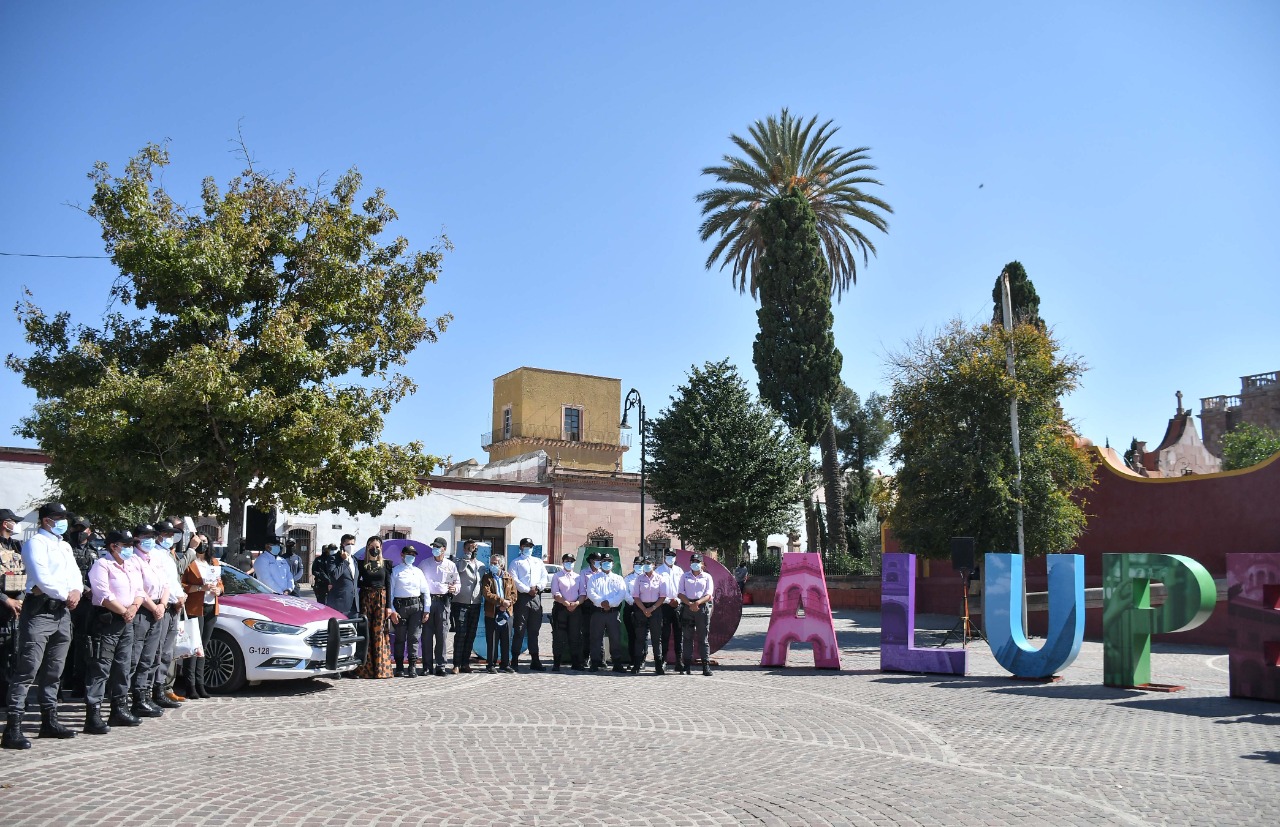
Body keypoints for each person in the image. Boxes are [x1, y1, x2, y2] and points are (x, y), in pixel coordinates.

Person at [3, 503, 82, 750]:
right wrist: (66, 594)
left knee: (54, 670)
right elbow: (41, 577)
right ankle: (13, 727)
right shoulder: (35, 543)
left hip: (61, 612)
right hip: (40, 610)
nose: (63, 522)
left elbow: (75, 574)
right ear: (46, 520)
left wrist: (76, 590)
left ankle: (49, 720)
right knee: (28, 669)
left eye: (64, 517)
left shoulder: (64, 545)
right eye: (59, 517)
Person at [84, 530, 144, 733]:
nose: (129, 549)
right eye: (125, 545)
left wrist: (133, 608)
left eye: (130, 545)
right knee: (101, 667)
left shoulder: (131, 565)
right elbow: (103, 594)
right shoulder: (102, 564)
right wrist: (124, 611)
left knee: (123, 666)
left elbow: (140, 591)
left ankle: (119, 709)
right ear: (113, 546)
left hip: (127, 620)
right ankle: (93, 714)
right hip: (108, 620)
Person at [127, 524, 169, 719]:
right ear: (136, 538)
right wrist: (154, 607)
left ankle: (143, 695)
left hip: (158, 608)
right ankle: (131, 697)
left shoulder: (155, 558)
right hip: (143, 610)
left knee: (150, 657)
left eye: (152, 536)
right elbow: (139, 589)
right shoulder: (133, 559)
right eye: (145, 536)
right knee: (135, 657)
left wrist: (163, 605)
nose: (149, 540)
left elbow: (165, 583)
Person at [180, 536, 223, 698]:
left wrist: (219, 590)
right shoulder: (189, 562)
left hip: (211, 607)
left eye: (205, 541)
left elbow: (220, 583)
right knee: (193, 648)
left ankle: (200, 684)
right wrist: (200, 588)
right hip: (195, 607)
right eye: (200, 541)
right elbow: (181, 584)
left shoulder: (214, 562)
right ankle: (190, 685)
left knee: (203, 648)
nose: (202, 544)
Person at [149, 520, 185, 709]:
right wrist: (176, 598)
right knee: (157, 651)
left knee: (167, 652)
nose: (170, 538)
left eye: (172, 535)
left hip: (173, 606)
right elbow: (162, 583)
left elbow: (174, 581)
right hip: (162, 605)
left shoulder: (167, 555)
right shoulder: (154, 554)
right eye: (167, 534)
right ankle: (150, 691)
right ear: (158, 536)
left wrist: (181, 596)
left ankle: (160, 688)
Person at [354, 536, 393, 679]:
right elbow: (356, 582)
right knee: (366, 631)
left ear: (381, 548)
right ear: (367, 547)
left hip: (381, 599)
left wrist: (389, 606)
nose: (374, 549)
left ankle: (381, 669)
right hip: (366, 598)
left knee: (379, 631)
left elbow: (388, 584)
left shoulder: (386, 564)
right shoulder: (361, 564)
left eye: (377, 547)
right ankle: (365, 669)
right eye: (371, 546)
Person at [421, 537, 459, 677]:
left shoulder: (450, 565)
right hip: (428, 601)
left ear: (444, 549)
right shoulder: (424, 564)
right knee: (426, 635)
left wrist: (455, 588)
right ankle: (427, 666)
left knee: (442, 635)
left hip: (443, 602)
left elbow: (455, 583)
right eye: (434, 547)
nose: (435, 549)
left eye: (438, 547)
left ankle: (440, 665)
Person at [508, 538, 548, 672]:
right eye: (526, 546)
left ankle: (535, 659)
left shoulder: (538, 561)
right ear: (521, 547)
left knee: (534, 630)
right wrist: (527, 589)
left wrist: (538, 587)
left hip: (536, 596)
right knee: (519, 630)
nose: (528, 548)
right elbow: (514, 580)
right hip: (522, 597)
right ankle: (514, 659)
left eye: (530, 546)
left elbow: (544, 577)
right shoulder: (516, 562)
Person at [388, 545, 428, 678]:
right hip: (400, 607)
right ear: (402, 555)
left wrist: (426, 609)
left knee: (414, 638)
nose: (411, 557)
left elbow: (425, 591)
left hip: (416, 607)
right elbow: (390, 594)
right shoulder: (395, 571)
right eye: (409, 554)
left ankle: (412, 666)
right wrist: (392, 610)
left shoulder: (418, 572)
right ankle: (399, 666)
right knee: (400, 638)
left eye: (413, 554)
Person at [0, 508, 27, 702]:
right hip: (3, 604)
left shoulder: (17, 546)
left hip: (17, 606)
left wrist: (20, 599)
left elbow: (26, 575)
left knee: (14, 653)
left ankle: (12, 696)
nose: (15, 525)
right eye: (13, 521)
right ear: (4, 523)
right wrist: (6, 600)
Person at [586, 553, 628, 672]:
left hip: (613, 612)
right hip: (598, 612)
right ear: (601, 563)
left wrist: (609, 603)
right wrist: (601, 603)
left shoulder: (618, 578)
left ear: (613, 564)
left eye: (609, 561)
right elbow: (591, 593)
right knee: (595, 638)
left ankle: (617, 663)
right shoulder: (594, 578)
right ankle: (595, 662)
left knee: (615, 638)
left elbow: (621, 593)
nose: (607, 563)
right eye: (604, 561)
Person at [679, 552, 715, 676]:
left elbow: (709, 594)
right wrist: (690, 604)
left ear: (702, 564)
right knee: (687, 637)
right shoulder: (684, 576)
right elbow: (680, 593)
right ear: (690, 563)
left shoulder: (707, 577)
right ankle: (687, 665)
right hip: (687, 607)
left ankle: (706, 666)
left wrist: (697, 603)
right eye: (693, 561)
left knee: (703, 638)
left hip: (702, 607)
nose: (695, 563)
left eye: (697, 562)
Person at [479, 550, 516, 673]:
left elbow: (514, 594)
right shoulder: (487, 577)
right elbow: (487, 594)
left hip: (507, 612)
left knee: (506, 639)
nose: (492, 565)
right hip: (492, 612)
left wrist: (507, 603)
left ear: (502, 565)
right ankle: (491, 664)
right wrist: (501, 602)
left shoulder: (508, 577)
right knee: (492, 640)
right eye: (491, 563)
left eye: (495, 563)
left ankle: (505, 663)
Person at [451, 540, 484, 673]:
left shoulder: (481, 565)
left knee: (471, 634)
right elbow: (460, 570)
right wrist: (467, 557)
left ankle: (465, 663)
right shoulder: (458, 562)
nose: (473, 550)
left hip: (475, 603)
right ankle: (456, 663)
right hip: (460, 603)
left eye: (475, 548)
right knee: (461, 633)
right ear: (465, 549)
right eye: (470, 548)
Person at [631, 557, 669, 674]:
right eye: (644, 564)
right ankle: (637, 664)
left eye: (648, 563)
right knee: (640, 638)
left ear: (654, 564)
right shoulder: (639, 579)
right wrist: (644, 609)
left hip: (655, 608)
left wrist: (652, 608)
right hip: (641, 608)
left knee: (656, 638)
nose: (646, 566)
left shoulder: (660, 578)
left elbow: (662, 596)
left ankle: (658, 665)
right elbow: (636, 596)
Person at [549, 552, 583, 671]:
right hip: (561, 609)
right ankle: (557, 663)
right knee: (559, 636)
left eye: (571, 561)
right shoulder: (557, 576)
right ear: (563, 562)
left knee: (575, 636)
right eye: (567, 561)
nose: (569, 563)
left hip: (575, 608)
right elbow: (555, 593)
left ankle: (576, 662)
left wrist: (576, 603)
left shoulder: (578, 577)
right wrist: (566, 603)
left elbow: (582, 593)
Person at [655, 550, 685, 673]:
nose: (670, 558)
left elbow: (683, 588)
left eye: (673, 556)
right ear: (664, 556)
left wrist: (678, 600)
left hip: (678, 605)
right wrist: (668, 600)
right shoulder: (659, 571)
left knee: (679, 633)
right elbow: (656, 590)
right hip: (664, 606)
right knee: (664, 634)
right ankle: (663, 660)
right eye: (668, 555)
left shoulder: (679, 571)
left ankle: (679, 661)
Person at [576, 551, 602, 668]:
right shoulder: (584, 572)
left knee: (600, 632)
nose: (599, 562)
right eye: (597, 560)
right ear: (591, 561)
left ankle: (600, 658)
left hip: (599, 603)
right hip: (587, 603)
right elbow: (582, 588)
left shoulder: (602, 572)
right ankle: (585, 657)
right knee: (586, 632)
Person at [325, 536, 360, 619]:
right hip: (339, 603)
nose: (350, 546)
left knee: (353, 626)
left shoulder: (354, 560)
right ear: (342, 545)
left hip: (354, 604)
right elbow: (334, 575)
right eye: (348, 544)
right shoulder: (334, 559)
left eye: (352, 544)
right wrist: (345, 561)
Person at [622, 556, 642, 672]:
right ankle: (632, 660)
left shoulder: (647, 578)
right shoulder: (628, 578)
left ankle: (641, 660)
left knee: (642, 636)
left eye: (641, 564)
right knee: (632, 635)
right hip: (631, 607)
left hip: (643, 608)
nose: (639, 566)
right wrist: (634, 602)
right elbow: (625, 592)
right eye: (637, 563)